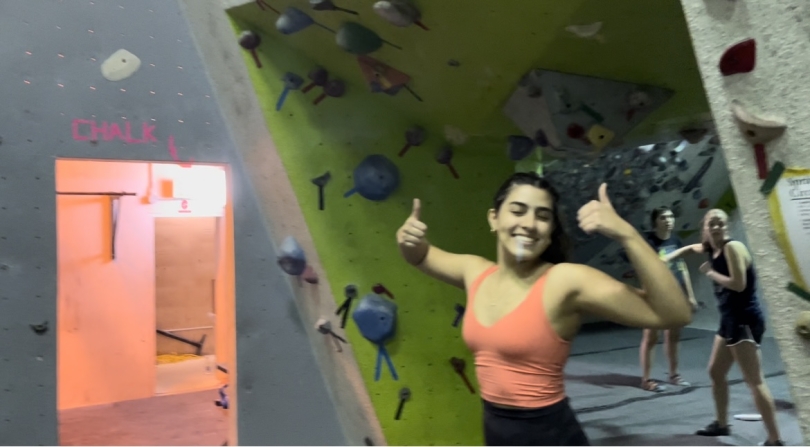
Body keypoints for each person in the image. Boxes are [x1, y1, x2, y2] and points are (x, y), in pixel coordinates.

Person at [395, 172, 693, 446]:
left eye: (542, 216)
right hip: (496, 430)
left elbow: (674, 314)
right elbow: (420, 257)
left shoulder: (563, 281)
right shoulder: (476, 272)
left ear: (550, 230)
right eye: (517, 210)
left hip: (548, 435)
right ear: (494, 218)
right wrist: (408, 241)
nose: (528, 223)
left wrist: (627, 234)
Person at [665, 209, 783, 446]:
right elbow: (690, 249)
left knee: (754, 381)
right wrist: (665, 260)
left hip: (744, 320)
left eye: (721, 223)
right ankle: (721, 424)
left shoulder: (732, 248)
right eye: (712, 224)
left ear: (726, 227)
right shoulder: (711, 248)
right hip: (728, 320)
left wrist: (710, 272)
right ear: (705, 229)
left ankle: (775, 439)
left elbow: (738, 285)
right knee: (715, 372)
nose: (717, 227)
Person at [638, 206, 700, 392]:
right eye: (663, 217)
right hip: (655, 295)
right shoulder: (648, 242)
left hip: (675, 294)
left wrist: (689, 295)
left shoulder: (675, 240)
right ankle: (646, 379)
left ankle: (674, 374)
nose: (668, 220)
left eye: (671, 217)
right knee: (651, 337)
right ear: (655, 221)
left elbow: (682, 267)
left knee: (673, 336)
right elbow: (644, 270)